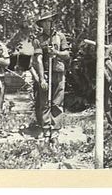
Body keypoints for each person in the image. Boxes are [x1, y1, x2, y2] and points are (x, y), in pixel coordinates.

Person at [32, 11, 70, 149]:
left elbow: (66, 55)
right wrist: (42, 79)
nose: (48, 24)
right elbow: (39, 60)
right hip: (46, 74)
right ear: (41, 24)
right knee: (44, 102)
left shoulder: (60, 37)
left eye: (50, 21)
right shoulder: (38, 40)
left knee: (57, 102)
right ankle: (45, 130)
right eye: (45, 22)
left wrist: (56, 53)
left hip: (59, 73)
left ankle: (54, 133)